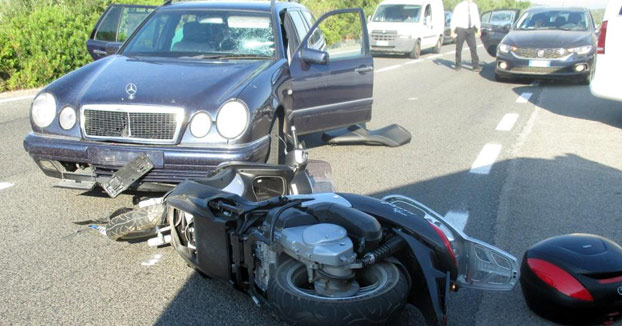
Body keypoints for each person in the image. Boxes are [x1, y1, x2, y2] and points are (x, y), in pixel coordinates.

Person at [450, 0, 481, 72]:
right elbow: (454, 18)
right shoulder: (459, 6)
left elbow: (476, 18)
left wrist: (478, 29)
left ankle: (475, 66)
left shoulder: (474, 6)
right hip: (461, 29)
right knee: (459, 48)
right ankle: (457, 65)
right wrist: (452, 31)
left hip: (471, 29)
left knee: (473, 47)